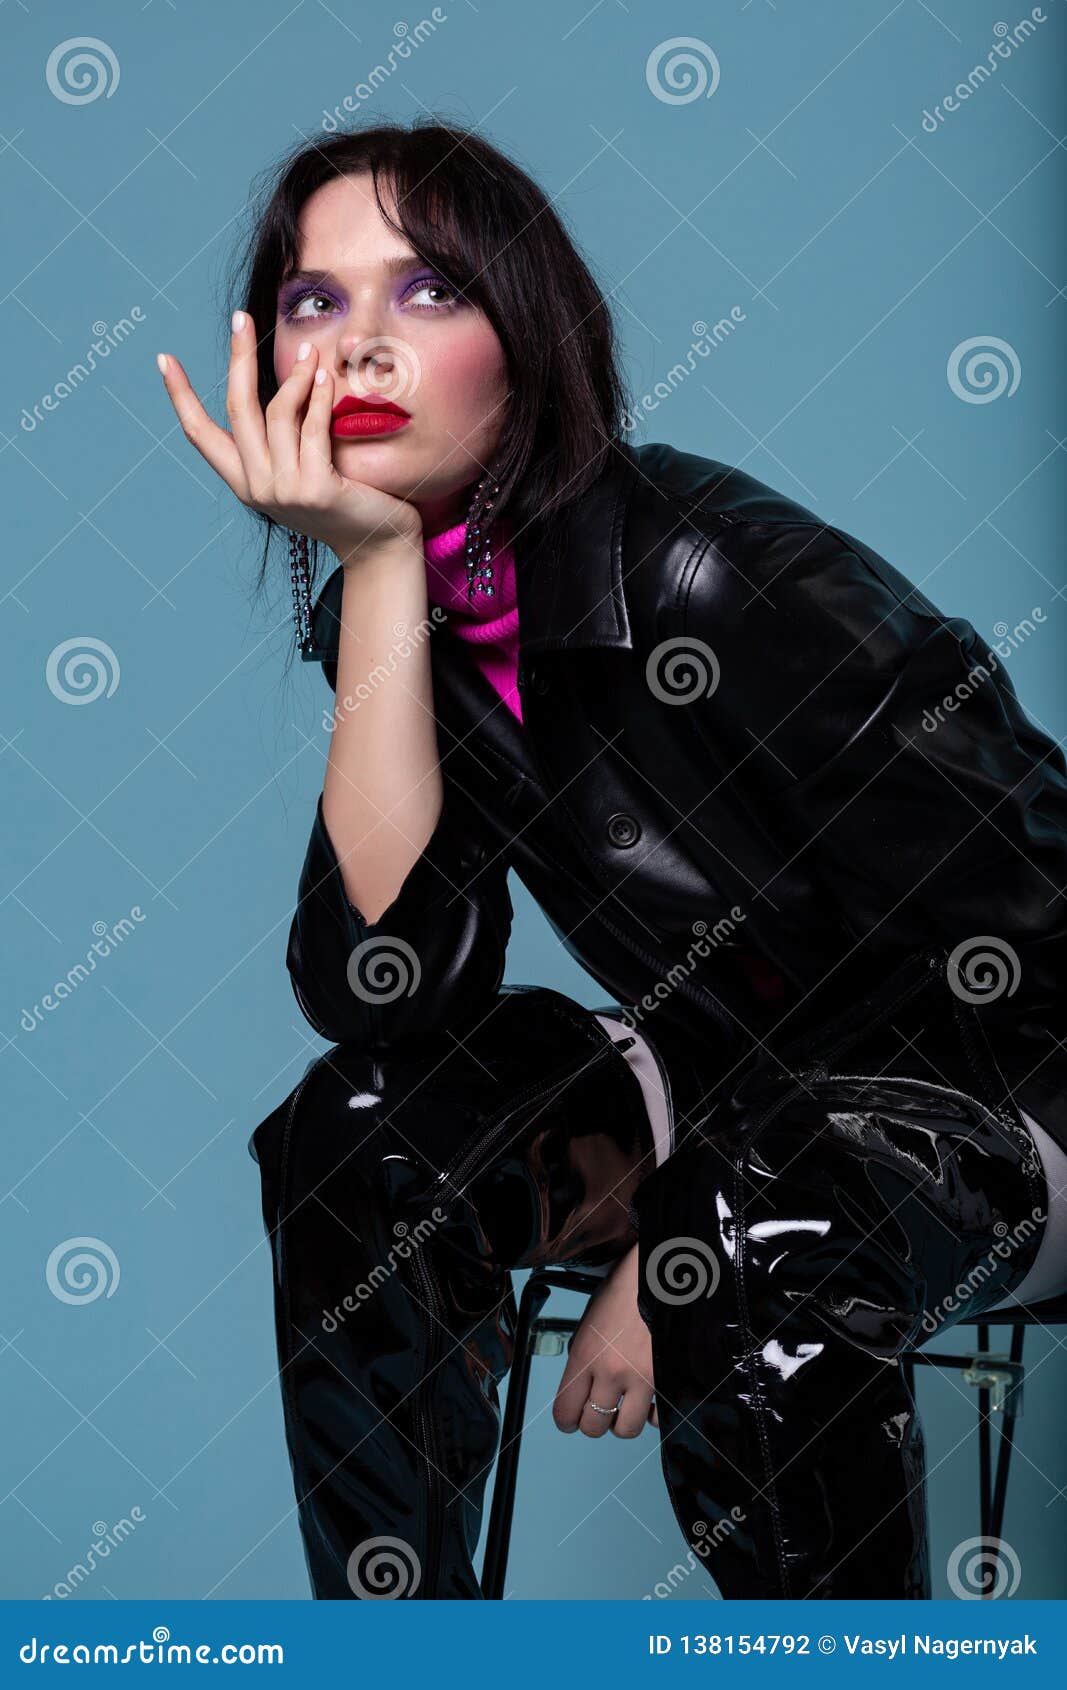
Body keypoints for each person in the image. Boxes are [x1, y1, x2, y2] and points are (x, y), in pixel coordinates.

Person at [158, 119, 1067, 1601]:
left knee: (759, 1207)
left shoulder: (721, 576)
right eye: (320, 300)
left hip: (1016, 1090)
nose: (366, 346)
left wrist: (692, 1217)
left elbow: (1023, 944)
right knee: (359, 1140)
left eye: (431, 292)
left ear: (531, 334)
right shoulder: (406, 616)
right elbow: (388, 992)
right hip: (725, 1074)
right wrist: (379, 580)